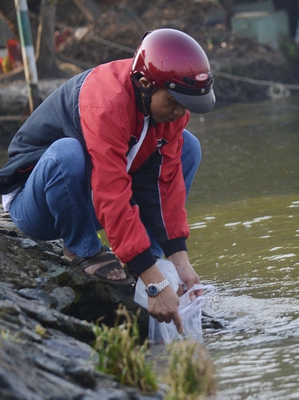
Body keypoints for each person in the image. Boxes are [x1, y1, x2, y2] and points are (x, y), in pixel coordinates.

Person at [0, 28, 215, 333]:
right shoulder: (106, 102)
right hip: (38, 203)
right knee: (67, 153)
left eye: (187, 103)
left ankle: (149, 255)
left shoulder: (170, 111)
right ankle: (83, 248)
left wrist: (179, 262)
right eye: (174, 101)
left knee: (189, 146)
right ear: (144, 84)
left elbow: (165, 185)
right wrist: (153, 283)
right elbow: (111, 191)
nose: (181, 112)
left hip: (88, 195)